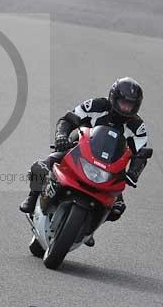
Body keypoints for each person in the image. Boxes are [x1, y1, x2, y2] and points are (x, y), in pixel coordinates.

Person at [19, 77, 150, 219]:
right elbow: (68, 118)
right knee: (41, 167)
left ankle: (89, 227)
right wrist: (61, 136)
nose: (125, 108)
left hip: (110, 168)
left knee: (117, 209)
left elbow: (141, 152)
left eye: (129, 105)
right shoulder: (96, 105)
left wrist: (133, 173)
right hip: (78, 151)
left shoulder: (137, 126)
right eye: (123, 103)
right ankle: (32, 199)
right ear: (114, 97)